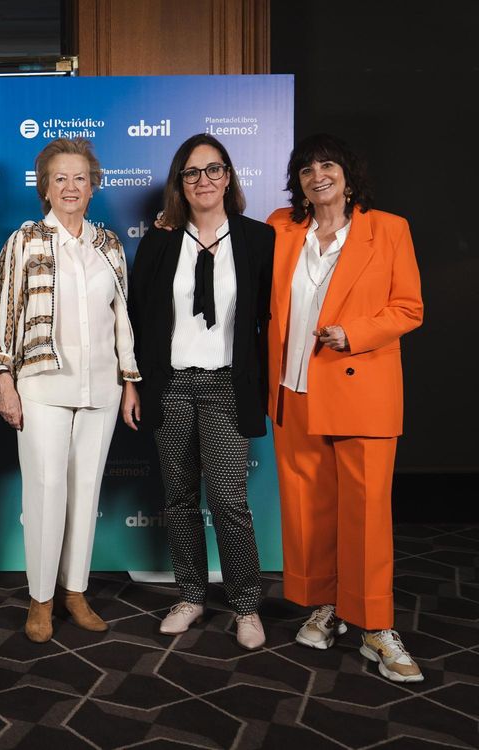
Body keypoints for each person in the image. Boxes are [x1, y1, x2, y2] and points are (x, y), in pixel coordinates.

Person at [268, 133, 424, 682]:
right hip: (295, 389)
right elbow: (231, 258)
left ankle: (376, 625)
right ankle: (327, 604)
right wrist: (174, 231)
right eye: (306, 168)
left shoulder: (389, 229)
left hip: (360, 390)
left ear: (349, 176)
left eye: (327, 164)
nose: (317, 174)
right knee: (311, 512)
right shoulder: (280, 227)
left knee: (366, 514)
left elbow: (409, 307)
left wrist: (352, 333)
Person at [0, 138, 138, 642]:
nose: (70, 187)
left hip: (102, 387)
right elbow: (1, 314)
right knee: (46, 491)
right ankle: (41, 598)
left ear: (93, 186)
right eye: (59, 179)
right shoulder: (24, 240)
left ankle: (75, 591)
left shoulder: (109, 244)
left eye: (80, 178)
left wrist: (130, 380)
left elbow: (122, 319)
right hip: (41, 386)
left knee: (86, 490)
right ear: (44, 188)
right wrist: (5, 381)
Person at [125, 134, 274, 650]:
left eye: (213, 170)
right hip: (172, 386)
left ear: (229, 177)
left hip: (227, 386)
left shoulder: (258, 240)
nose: (204, 180)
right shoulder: (162, 240)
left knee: (230, 500)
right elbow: (139, 318)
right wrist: (136, 384)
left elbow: (271, 320)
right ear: (179, 184)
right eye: (192, 172)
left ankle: (246, 604)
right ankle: (189, 594)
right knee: (180, 498)